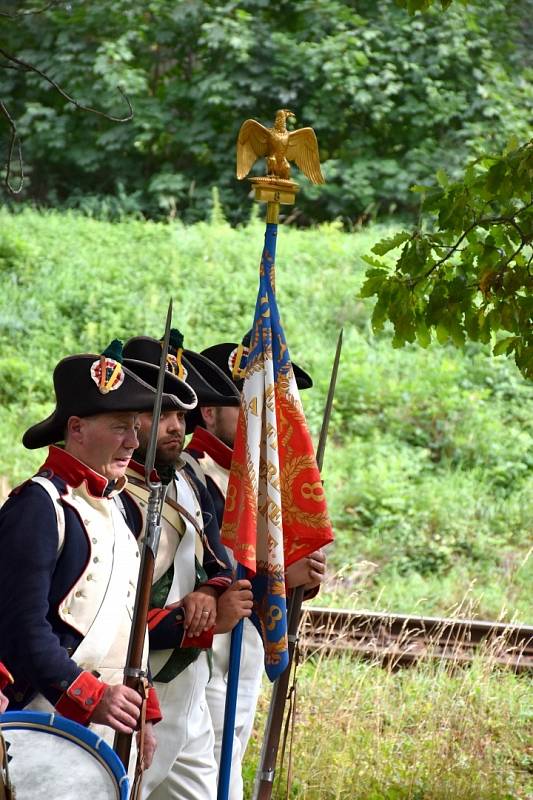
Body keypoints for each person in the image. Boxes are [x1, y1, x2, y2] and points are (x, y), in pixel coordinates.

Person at [0, 340, 173, 770]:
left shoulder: (117, 508)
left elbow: (124, 624)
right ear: (76, 429)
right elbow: (22, 629)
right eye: (120, 427)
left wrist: (143, 712)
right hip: (36, 717)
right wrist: (90, 696)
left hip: (99, 719)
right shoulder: (39, 506)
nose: (134, 442)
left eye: (135, 427)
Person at [184, 336, 327, 800]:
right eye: (247, 407)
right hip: (200, 656)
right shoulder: (191, 474)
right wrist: (281, 572)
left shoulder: (265, 487)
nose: (263, 423)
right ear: (208, 413)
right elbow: (211, 569)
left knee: (227, 774)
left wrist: (296, 577)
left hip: (243, 653)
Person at [123, 332, 253, 800]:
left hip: (189, 683)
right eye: (162, 412)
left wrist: (211, 592)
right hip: (141, 685)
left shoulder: (186, 482)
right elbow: (112, 619)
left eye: (181, 413)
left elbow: (217, 558)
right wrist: (193, 621)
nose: (176, 425)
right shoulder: (113, 497)